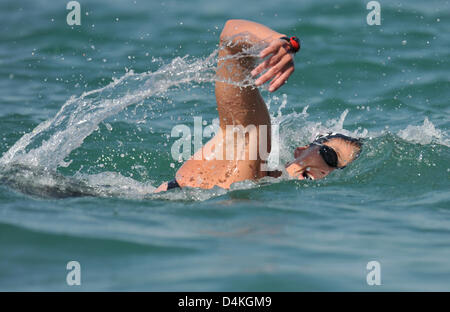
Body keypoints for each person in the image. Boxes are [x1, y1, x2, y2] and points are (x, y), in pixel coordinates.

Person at [155, 19, 362, 192]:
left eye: (340, 170)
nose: (328, 172)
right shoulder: (252, 151)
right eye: (330, 156)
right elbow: (229, 37)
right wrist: (282, 43)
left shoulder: (262, 188)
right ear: (300, 150)